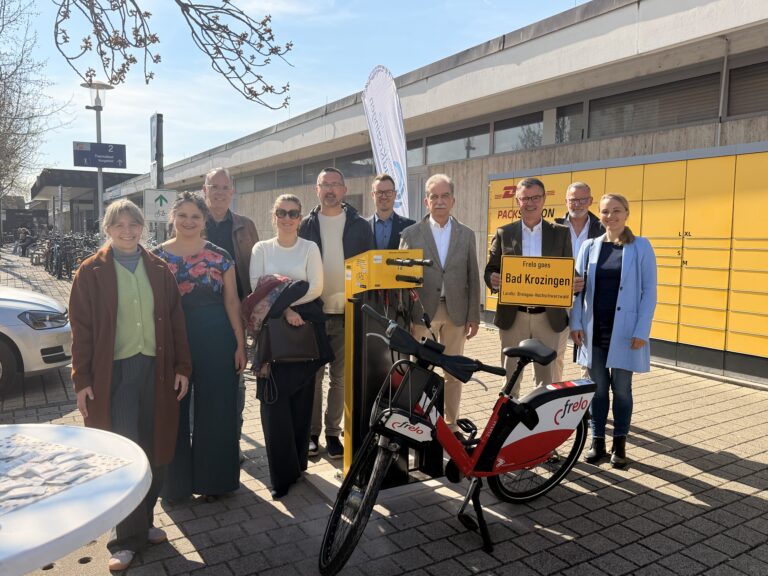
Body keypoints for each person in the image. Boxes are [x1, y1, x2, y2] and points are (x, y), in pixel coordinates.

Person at [69, 199, 192, 572]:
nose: (127, 230)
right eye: (119, 224)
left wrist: (182, 366)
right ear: (108, 228)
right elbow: (82, 332)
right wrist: (83, 380)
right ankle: (124, 540)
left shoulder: (159, 268)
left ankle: (146, 522)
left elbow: (175, 323)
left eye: (133, 224)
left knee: (158, 449)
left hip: (156, 371)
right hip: (115, 376)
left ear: (143, 227)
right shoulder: (90, 272)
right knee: (126, 456)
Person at [154, 192, 246, 501]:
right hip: (172, 343)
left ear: (204, 220)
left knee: (217, 411)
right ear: (173, 218)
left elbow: (232, 301)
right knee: (172, 411)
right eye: (182, 215)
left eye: (195, 216)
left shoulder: (221, 256)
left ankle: (215, 482)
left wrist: (240, 343)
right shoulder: (156, 257)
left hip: (217, 340)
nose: (189, 221)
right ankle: (174, 486)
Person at [248, 195, 330, 497]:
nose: (287, 217)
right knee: (273, 403)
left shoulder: (309, 248)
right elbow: (258, 288)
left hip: (304, 333)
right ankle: (280, 476)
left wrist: (283, 299)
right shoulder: (261, 249)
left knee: (301, 402)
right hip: (272, 334)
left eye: (293, 213)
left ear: (299, 218)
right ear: (273, 216)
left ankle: (297, 467)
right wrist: (286, 310)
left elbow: (316, 287)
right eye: (281, 212)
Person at [570, 194, 657, 468]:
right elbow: (576, 290)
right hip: (593, 330)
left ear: (627, 213)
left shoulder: (641, 246)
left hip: (626, 332)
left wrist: (642, 330)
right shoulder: (589, 246)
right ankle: (598, 443)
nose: (611, 216)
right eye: (606, 212)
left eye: (617, 211)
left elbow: (649, 291)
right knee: (596, 390)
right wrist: (575, 323)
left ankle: (620, 444)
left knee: (622, 390)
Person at [299, 167, 374, 459]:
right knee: (314, 377)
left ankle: (333, 433)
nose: (330, 189)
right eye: (324, 185)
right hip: (314, 314)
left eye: (335, 185)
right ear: (317, 190)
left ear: (344, 190)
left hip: (348, 314)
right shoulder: (306, 224)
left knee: (340, 378)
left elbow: (368, 269)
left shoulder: (359, 225)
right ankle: (311, 433)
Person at [399, 173, 481, 432]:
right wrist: (407, 317)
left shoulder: (466, 234)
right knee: (420, 370)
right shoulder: (411, 234)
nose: (440, 201)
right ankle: (418, 420)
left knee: (453, 371)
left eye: (445, 196)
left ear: (453, 200)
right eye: (434, 196)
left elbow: (473, 275)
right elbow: (403, 281)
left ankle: (451, 423)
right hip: (423, 312)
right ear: (426, 201)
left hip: (456, 313)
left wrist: (474, 315)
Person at [484, 177, 579, 398]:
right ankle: (507, 425)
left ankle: (542, 429)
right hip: (513, 316)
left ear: (544, 199)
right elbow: (490, 269)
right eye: (525, 198)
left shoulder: (560, 233)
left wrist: (574, 282)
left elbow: (567, 270)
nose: (530, 203)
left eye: (535, 197)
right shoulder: (504, 233)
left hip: (549, 316)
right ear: (517, 201)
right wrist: (493, 279)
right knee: (510, 378)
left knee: (547, 380)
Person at [202, 167, 258, 462]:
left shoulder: (246, 226)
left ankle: (232, 443)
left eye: (225, 187)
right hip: (201, 316)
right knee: (203, 382)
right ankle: (204, 443)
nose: (220, 192)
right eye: (215, 186)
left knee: (235, 381)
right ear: (205, 190)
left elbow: (257, 271)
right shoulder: (193, 222)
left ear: (232, 192)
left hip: (237, 313)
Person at [554, 182, 605, 382]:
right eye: (573, 200)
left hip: (589, 299)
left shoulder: (602, 228)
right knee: (553, 354)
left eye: (583, 199)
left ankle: (586, 403)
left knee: (589, 356)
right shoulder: (553, 227)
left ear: (591, 201)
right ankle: (552, 399)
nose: (578, 204)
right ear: (566, 201)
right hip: (557, 300)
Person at [366, 173, 415, 249]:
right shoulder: (363, 227)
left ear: (395, 194)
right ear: (373, 195)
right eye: (379, 192)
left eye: (388, 192)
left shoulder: (410, 226)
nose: (384, 197)